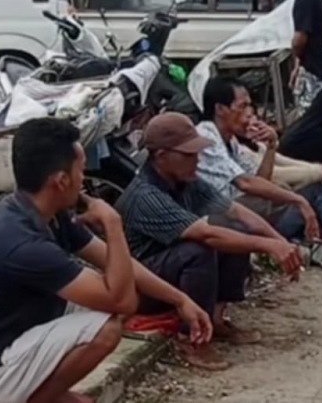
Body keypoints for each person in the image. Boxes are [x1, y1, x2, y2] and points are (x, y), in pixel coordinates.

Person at [0, 118, 212, 403]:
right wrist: (113, 225)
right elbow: (122, 300)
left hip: (8, 345)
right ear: (61, 181)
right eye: (81, 169)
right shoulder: (22, 242)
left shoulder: (38, 210)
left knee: (106, 301)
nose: (84, 179)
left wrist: (179, 299)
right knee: (106, 327)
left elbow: (114, 264)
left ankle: (48, 393)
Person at [115, 113, 306, 370]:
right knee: (201, 248)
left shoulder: (186, 181)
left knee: (234, 232)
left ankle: (215, 318)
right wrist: (269, 246)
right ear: (161, 156)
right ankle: (190, 339)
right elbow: (205, 234)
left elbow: (238, 213)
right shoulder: (145, 195)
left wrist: (281, 242)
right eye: (189, 154)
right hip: (141, 287)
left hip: (168, 273)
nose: (197, 159)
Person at [196, 79, 322, 270]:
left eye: (250, 107)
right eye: (243, 107)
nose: (249, 115)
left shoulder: (230, 141)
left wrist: (270, 146)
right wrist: (300, 196)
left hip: (246, 214)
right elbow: (248, 184)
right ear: (220, 109)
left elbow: (261, 179)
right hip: (221, 220)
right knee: (315, 189)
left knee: (321, 186)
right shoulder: (207, 137)